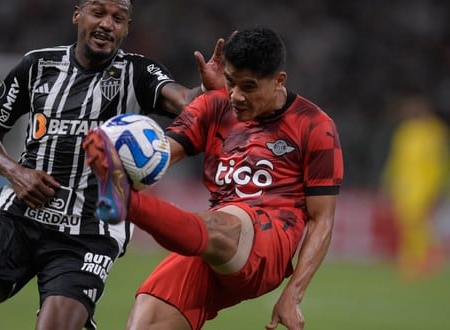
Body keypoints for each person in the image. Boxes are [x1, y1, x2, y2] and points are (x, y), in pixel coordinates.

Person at [0, 1, 225, 329]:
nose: (107, 25)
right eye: (98, 13)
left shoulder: (138, 72)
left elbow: (184, 100)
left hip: (88, 233)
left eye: (118, 19)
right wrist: (16, 171)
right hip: (19, 219)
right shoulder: (37, 66)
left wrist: (205, 89)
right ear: (77, 15)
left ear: (127, 28)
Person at [84, 25, 344, 330]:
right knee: (147, 319)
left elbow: (322, 219)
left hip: (269, 239)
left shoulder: (315, 126)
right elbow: (161, 154)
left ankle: (128, 203)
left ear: (279, 81)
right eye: (231, 83)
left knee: (225, 221)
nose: (236, 96)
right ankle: (124, 198)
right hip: (209, 244)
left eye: (249, 86)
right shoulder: (214, 104)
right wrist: (121, 153)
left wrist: (293, 294)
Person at [380, 93, 448, 282]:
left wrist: (438, 187)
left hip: (425, 185)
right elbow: (395, 161)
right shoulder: (404, 131)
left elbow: (440, 162)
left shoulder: (435, 131)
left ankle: (423, 259)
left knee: (416, 222)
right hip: (404, 186)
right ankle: (416, 260)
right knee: (406, 223)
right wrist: (388, 184)